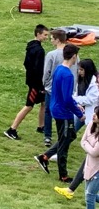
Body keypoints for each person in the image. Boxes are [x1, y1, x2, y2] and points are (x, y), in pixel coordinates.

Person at [36, 44, 86, 182]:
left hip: (56, 108)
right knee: (64, 143)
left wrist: (76, 105)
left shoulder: (59, 69)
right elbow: (67, 98)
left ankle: (45, 156)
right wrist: (79, 113)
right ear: (74, 56)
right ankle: (63, 175)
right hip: (63, 113)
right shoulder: (68, 75)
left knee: (70, 136)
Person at [56, 59, 99, 200]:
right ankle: (71, 189)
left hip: (88, 114)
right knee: (87, 160)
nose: (79, 72)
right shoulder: (82, 81)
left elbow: (91, 99)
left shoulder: (94, 83)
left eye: (81, 69)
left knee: (90, 157)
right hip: (86, 115)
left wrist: (86, 144)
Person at [4, 24, 50, 140]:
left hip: (32, 80)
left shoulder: (31, 46)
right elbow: (38, 70)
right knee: (29, 106)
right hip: (36, 84)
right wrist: (40, 86)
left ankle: (41, 126)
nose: (46, 37)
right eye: (45, 35)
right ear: (38, 34)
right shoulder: (39, 50)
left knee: (44, 102)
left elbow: (26, 64)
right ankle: (12, 129)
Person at [43, 29, 71, 146]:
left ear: (57, 40)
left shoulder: (51, 54)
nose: (50, 40)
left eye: (52, 38)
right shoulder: (72, 54)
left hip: (52, 89)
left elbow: (46, 72)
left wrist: (45, 85)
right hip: (67, 89)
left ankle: (48, 136)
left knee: (48, 111)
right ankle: (63, 135)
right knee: (64, 112)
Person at [75, 106, 99, 209]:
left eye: (96, 114)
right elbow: (82, 141)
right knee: (90, 195)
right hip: (89, 166)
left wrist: (87, 146)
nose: (94, 115)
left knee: (89, 195)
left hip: (98, 169)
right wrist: (89, 146)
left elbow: (95, 152)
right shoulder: (90, 124)